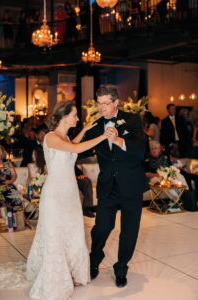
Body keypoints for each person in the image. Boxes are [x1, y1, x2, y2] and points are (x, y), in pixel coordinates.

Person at [26, 101, 109, 300]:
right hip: (55, 195)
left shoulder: (64, 136)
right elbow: (76, 149)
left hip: (69, 193)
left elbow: (71, 146)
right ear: (64, 117)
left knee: (72, 231)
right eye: (74, 115)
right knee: (56, 235)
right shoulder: (50, 137)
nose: (77, 119)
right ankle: (56, 283)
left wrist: (85, 130)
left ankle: (74, 273)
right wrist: (103, 136)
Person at [82, 84, 149, 287]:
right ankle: (94, 261)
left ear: (116, 102)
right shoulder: (94, 125)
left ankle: (121, 269)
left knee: (129, 231)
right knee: (101, 228)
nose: (101, 108)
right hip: (108, 187)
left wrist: (119, 140)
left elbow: (140, 151)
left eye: (105, 103)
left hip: (131, 186)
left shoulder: (132, 120)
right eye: (99, 103)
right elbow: (80, 149)